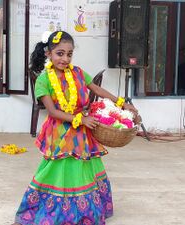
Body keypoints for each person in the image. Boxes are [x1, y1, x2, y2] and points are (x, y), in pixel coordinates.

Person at [14, 31, 138, 225]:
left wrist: (122, 103)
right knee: (61, 170)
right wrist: (80, 120)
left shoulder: (78, 72)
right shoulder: (43, 80)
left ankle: (85, 211)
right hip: (60, 133)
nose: (65, 58)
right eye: (60, 53)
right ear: (48, 53)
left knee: (84, 167)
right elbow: (53, 112)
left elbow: (96, 89)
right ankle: (58, 211)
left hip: (83, 130)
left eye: (69, 54)